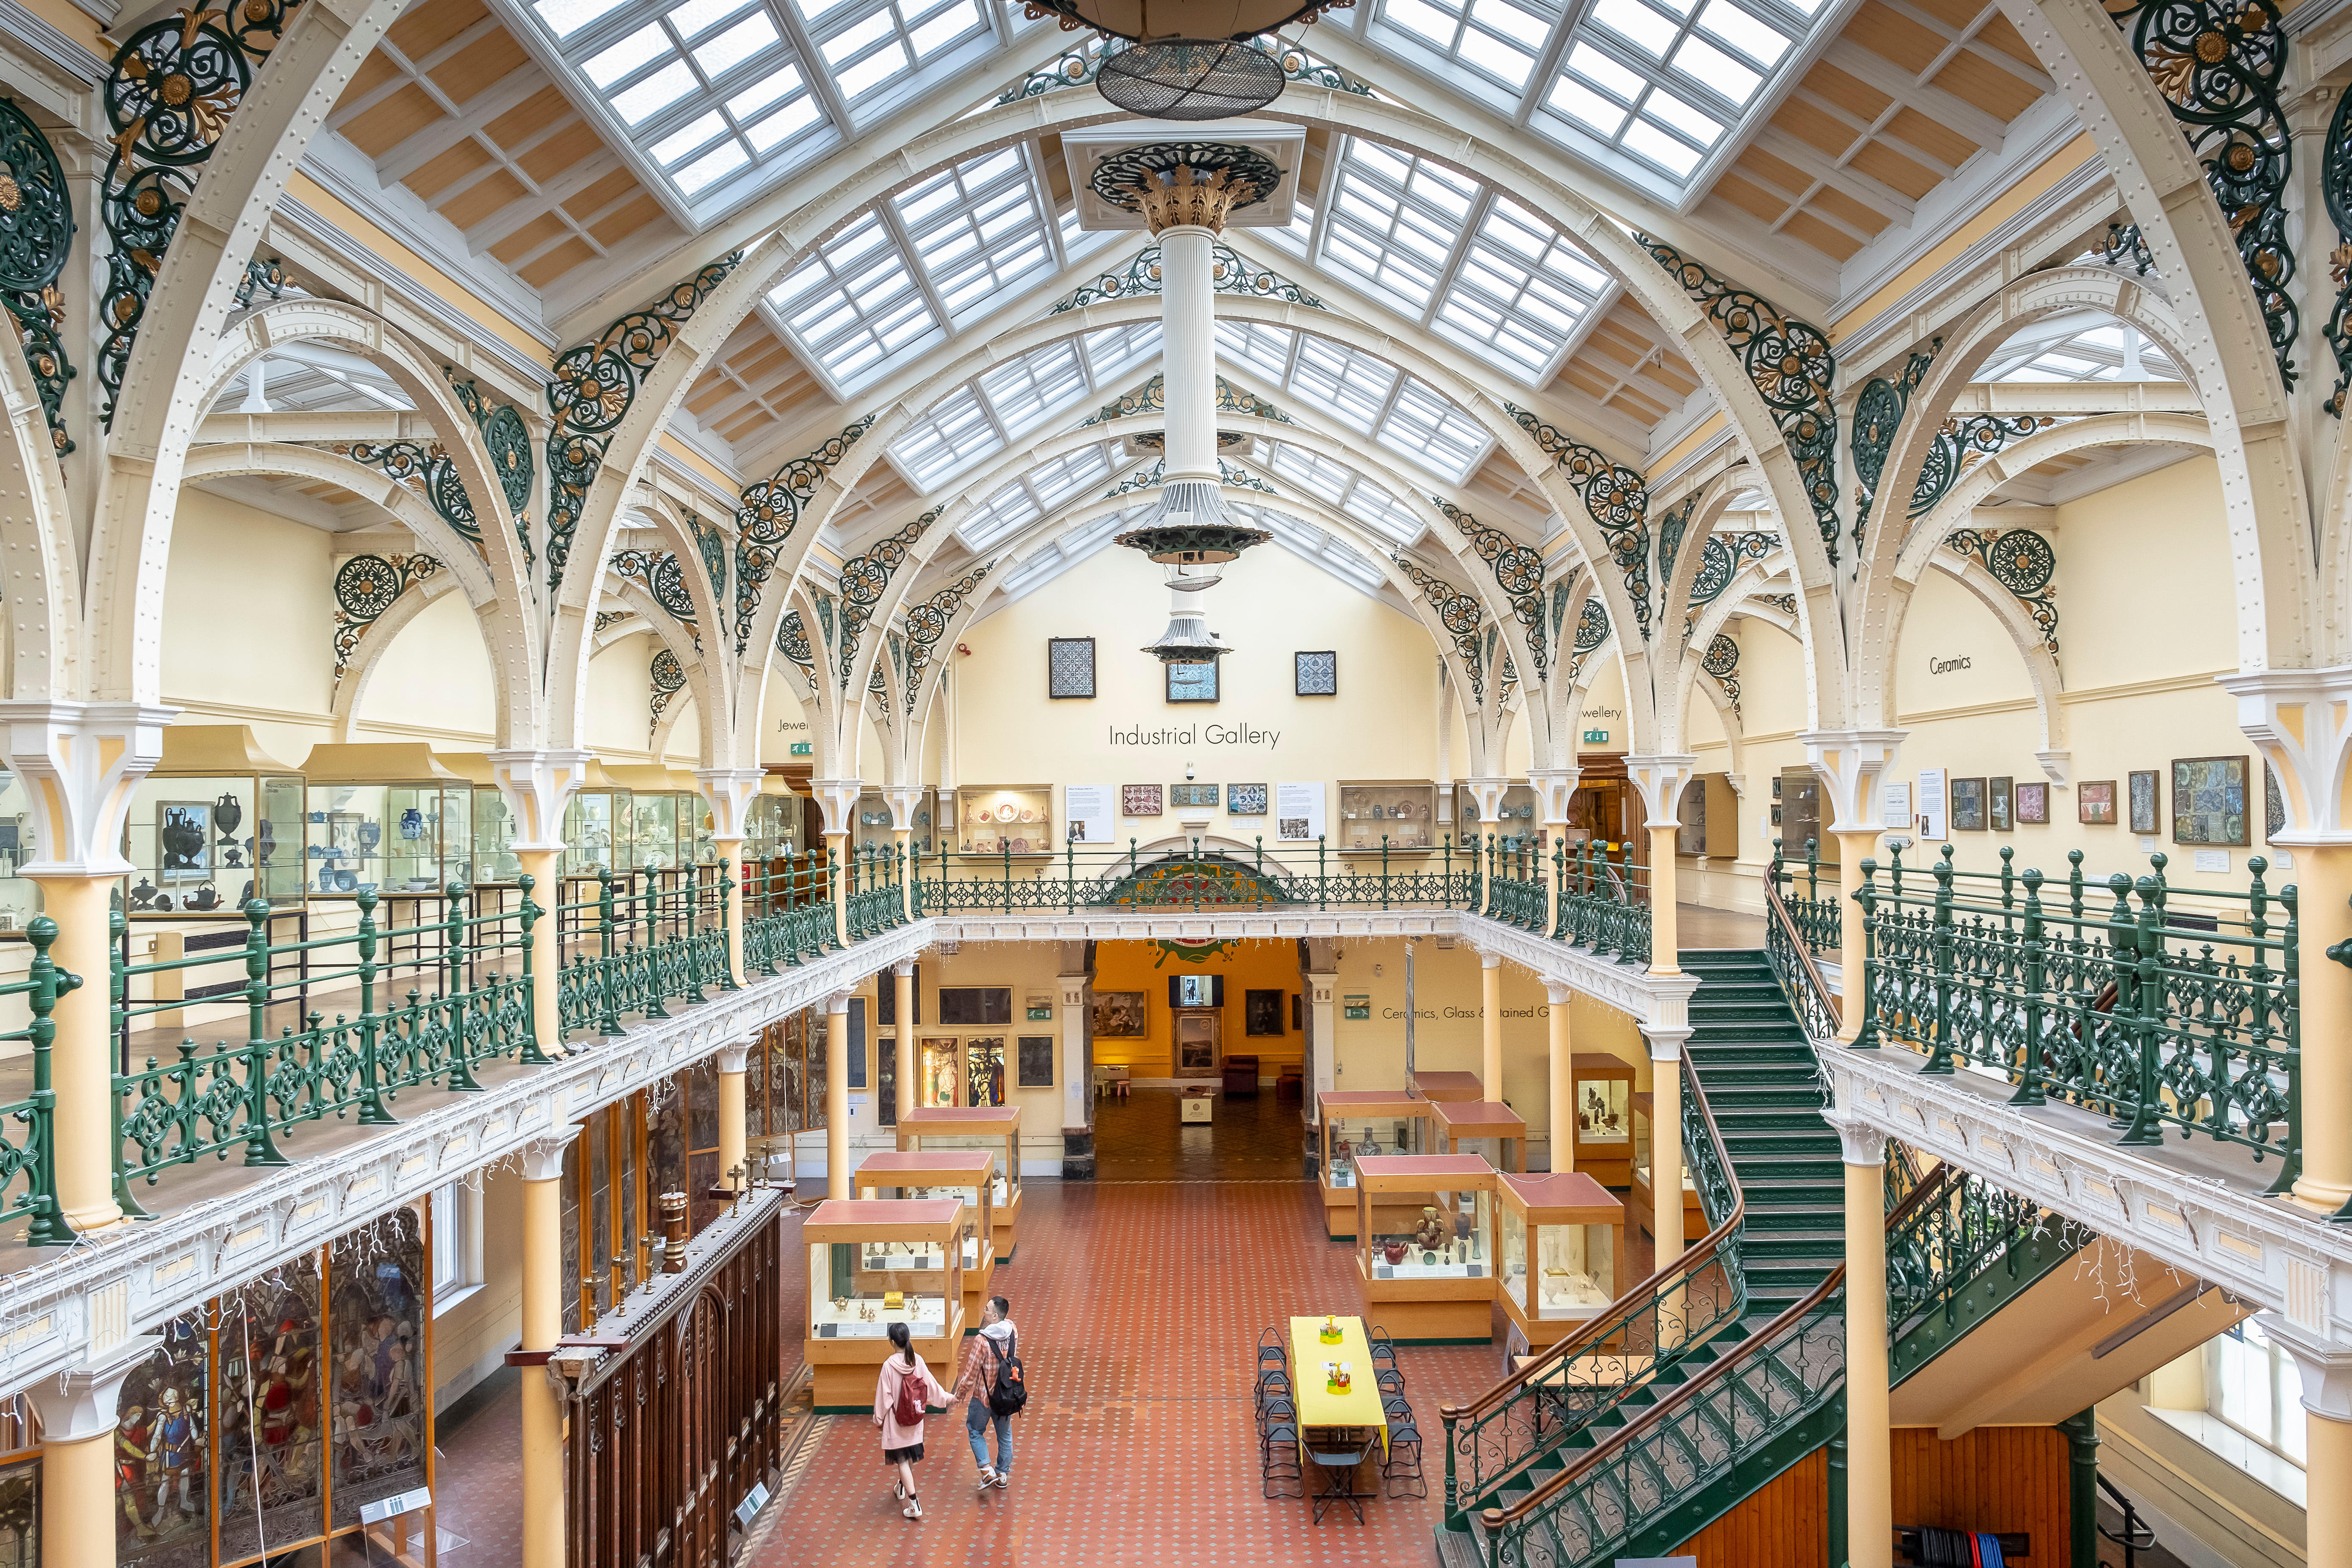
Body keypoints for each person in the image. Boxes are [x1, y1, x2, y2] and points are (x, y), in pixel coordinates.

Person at [874, 1321, 950, 1520]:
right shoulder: (918, 1361)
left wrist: (879, 1419)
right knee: (908, 1455)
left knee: (902, 1461)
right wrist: (948, 1398)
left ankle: (914, 1503)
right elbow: (931, 1387)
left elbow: (884, 1397)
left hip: (896, 1421)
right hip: (915, 1420)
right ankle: (901, 1486)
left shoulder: (888, 1366)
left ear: (892, 1342)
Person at [955, 1295, 1018, 1492]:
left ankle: (986, 1470)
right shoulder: (1012, 1330)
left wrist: (961, 1393)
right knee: (1005, 1435)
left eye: (987, 1309)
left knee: (975, 1431)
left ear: (995, 1316)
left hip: (983, 1397)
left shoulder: (982, 1340)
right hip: (1005, 1395)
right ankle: (1002, 1474)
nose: (984, 1312)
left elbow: (971, 1371)